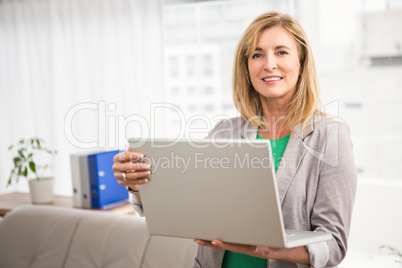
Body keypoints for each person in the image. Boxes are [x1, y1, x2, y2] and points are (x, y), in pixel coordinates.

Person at [113, 11, 357, 268]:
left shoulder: (330, 135)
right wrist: (139, 184)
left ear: (302, 63)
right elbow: (186, 209)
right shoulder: (224, 132)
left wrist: (271, 249)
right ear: (247, 67)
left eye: (281, 52)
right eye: (257, 54)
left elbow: (334, 245)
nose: (269, 64)